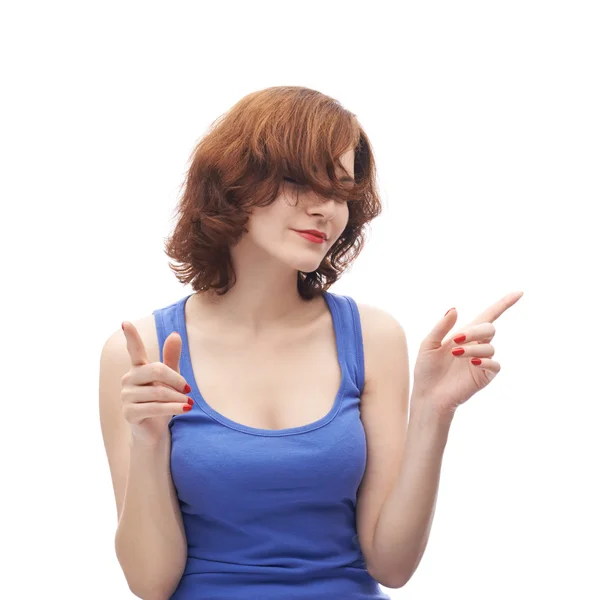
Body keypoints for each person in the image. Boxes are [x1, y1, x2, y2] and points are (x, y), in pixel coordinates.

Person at [99, 85, 406, 599]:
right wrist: (148, 440)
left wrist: (437, 412)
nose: (325, 209)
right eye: (300, 181)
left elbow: (393, 566)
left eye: (340, 192)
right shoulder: (140, 351)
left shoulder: (373, 339)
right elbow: (150, 583)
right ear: (237, 182)